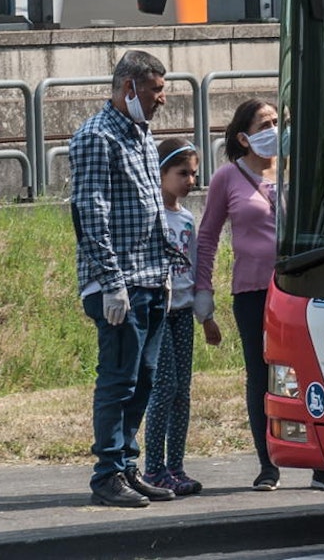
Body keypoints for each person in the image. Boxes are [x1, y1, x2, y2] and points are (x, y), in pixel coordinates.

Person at [194, 99, 324, 493]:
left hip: (299, 290)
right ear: (244, 136)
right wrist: (203, 290)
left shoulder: (294, 174)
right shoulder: (227, 178)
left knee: (311, 375)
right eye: (265, 123)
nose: (275, 129)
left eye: (279, 122)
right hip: (252, 292)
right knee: (261, 376)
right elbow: (208, 237)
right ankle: (268, 463)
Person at [70, 49, 183, 508]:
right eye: (157, 90)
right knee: (118, 379)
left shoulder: (138, 132)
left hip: (151, 277)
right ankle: (107, 474)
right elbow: (90, 214)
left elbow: (151, 208)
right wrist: (111, 281)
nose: (162, 100)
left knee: (145, 378)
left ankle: (127, 467)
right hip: (121, 284)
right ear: (129, 88)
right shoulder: (98, 137)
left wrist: (165, 269)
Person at [141, 136, 220, 497]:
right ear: (159, 174)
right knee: (164, 387)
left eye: (193, 173)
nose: (190, 181)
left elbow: (194, 265)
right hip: (161, 310)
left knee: (182, 392)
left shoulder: (187, 218)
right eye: (181, 173)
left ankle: (176, 466)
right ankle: (154, 467)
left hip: (184, 311)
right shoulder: (150, 214)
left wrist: (205, 315)